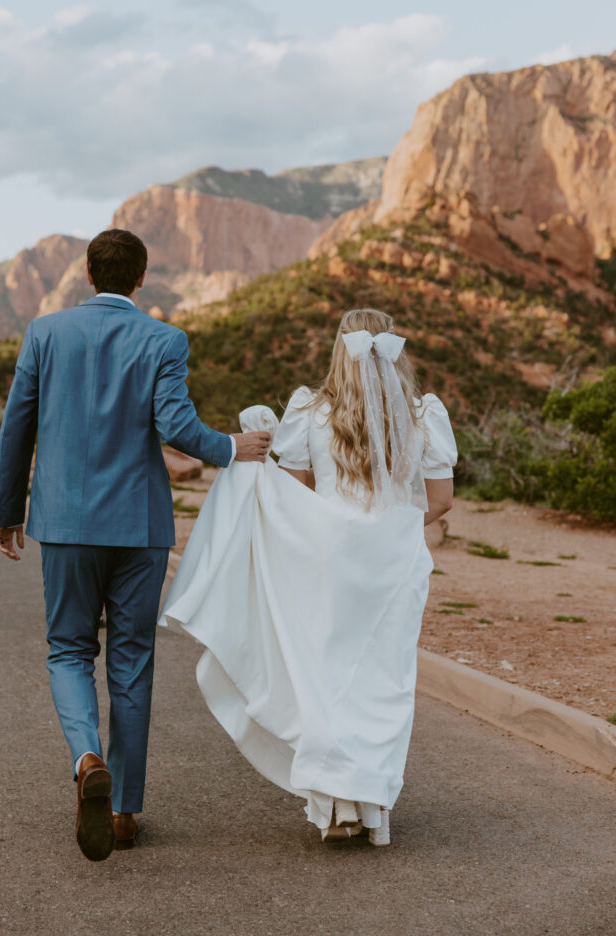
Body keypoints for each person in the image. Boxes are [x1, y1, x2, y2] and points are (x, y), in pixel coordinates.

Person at [0, 228, 270, 861]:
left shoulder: (44, 334)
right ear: (141, 279)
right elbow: (174, 424)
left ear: (88, 275)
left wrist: (9, 510)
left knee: (67, 649)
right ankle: (123, 812)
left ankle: (87, 756)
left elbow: (17, 427)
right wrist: (230, 448)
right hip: (139, 528)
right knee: (132, 660)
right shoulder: (164, 339)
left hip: (62, 524)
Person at [160, 307, 457, 845]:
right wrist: (390, 525)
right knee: (382, 683)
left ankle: (333, 807)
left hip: (326, 564)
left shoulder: (310, 411)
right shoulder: (424, 415)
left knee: (323, 677)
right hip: (394, 567)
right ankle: (372, 810)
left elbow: (290, 493)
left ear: (339, 350)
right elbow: (439, 501)